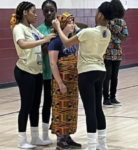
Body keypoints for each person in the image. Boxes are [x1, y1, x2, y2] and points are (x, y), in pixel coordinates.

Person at [51, 0, 125, 150]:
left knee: (90, 109)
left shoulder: (87, 32)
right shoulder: (107, 32)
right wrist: (77, 28)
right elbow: (85, 34)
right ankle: (102, 144)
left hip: (87, 73)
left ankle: (91, 145)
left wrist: (58, 27)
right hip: (101, 72)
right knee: (98, 108)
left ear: (99, 14)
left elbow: (66, 41)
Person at [10, 1, 56, 149]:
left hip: (37, 72)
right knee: (26, 105)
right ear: (25, 13)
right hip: (24, 71)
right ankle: (22, 140)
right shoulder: (19, 28)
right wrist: (44, 40)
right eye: (33, 12)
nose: (36, 15)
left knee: (35, 105)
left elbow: (47, 38)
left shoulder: (33, 29)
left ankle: (35, 137)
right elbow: (22, 44)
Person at [48, 12, 82, 150]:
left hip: (72, 83)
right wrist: (60, 83)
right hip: (61, 82)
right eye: (69, 22)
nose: (72, 25)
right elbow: (53, 64)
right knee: (61, 109)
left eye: (73, 22)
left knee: (71, 110)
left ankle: (67, 136)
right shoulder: (55, 42)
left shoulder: (72, 40)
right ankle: (60, 140)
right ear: (62, 25)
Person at [37, 0, 57, 144]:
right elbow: (42, 51)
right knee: (47, 102)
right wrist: (48, 38)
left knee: (60, 103)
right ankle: (44, 134)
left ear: (56, 10)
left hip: (60, 72)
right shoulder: (39, 29)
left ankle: (62, 134)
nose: (49, 13)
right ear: (42, 11)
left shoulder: (61, 27)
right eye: (46, 10)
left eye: (51, 10)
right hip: (45, 72)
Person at [103, 18, 129, 108]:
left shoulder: (122, 22)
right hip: (106, 53)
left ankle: (113, 97)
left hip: (117, 53)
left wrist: (118, 32)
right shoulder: (105, 21)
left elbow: (125, 38)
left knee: (114, 76)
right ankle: (106, 98)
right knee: (107, 76)